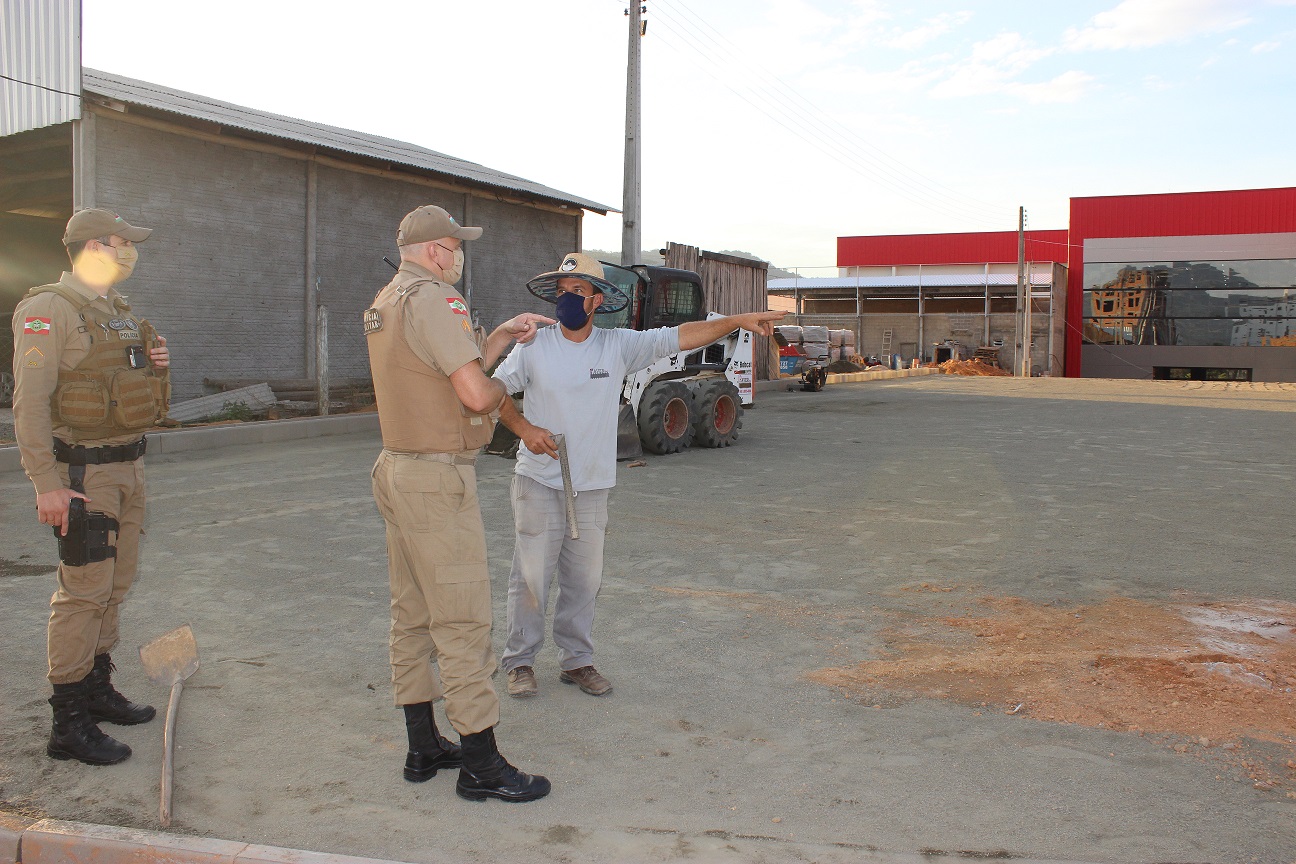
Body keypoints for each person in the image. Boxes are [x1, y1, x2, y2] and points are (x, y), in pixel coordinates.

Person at [492, 252, 785, 698]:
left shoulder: (617, 347)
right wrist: (523, 428)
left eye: (577, 292)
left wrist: (738, 320)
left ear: (595, 302)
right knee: (531, 577)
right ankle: (519, 662)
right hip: (539, 480)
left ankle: (577, 661)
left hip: (591, 484)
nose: (567, 299)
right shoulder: (533, 346)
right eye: (562, 291)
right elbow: (492, 392)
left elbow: (681, 336)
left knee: (584, 581)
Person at [365, 204, 556, 803]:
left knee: (413, 614)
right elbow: (473, 390)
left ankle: (423, 745)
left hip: (397, 468)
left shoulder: (388, 300)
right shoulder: (435, 300)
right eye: (455, 246)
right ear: (435, 250)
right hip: (435, 480)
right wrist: (505, 390)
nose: (460, 256)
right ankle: (481, 763)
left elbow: (445, 365)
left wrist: (499, 335)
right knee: (464, 620)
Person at [11, 208, 171, 765]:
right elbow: (29, 405)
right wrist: (45, 483)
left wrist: (157, 366)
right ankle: (68, 721)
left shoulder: (118, 312)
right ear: (90, 247)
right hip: (82, 475)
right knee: (82, 594)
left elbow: (134, 393)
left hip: (127, 468)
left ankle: (98, 688)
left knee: (114, 585)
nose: (130, 251)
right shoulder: (45, 311)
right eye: (121, 242)